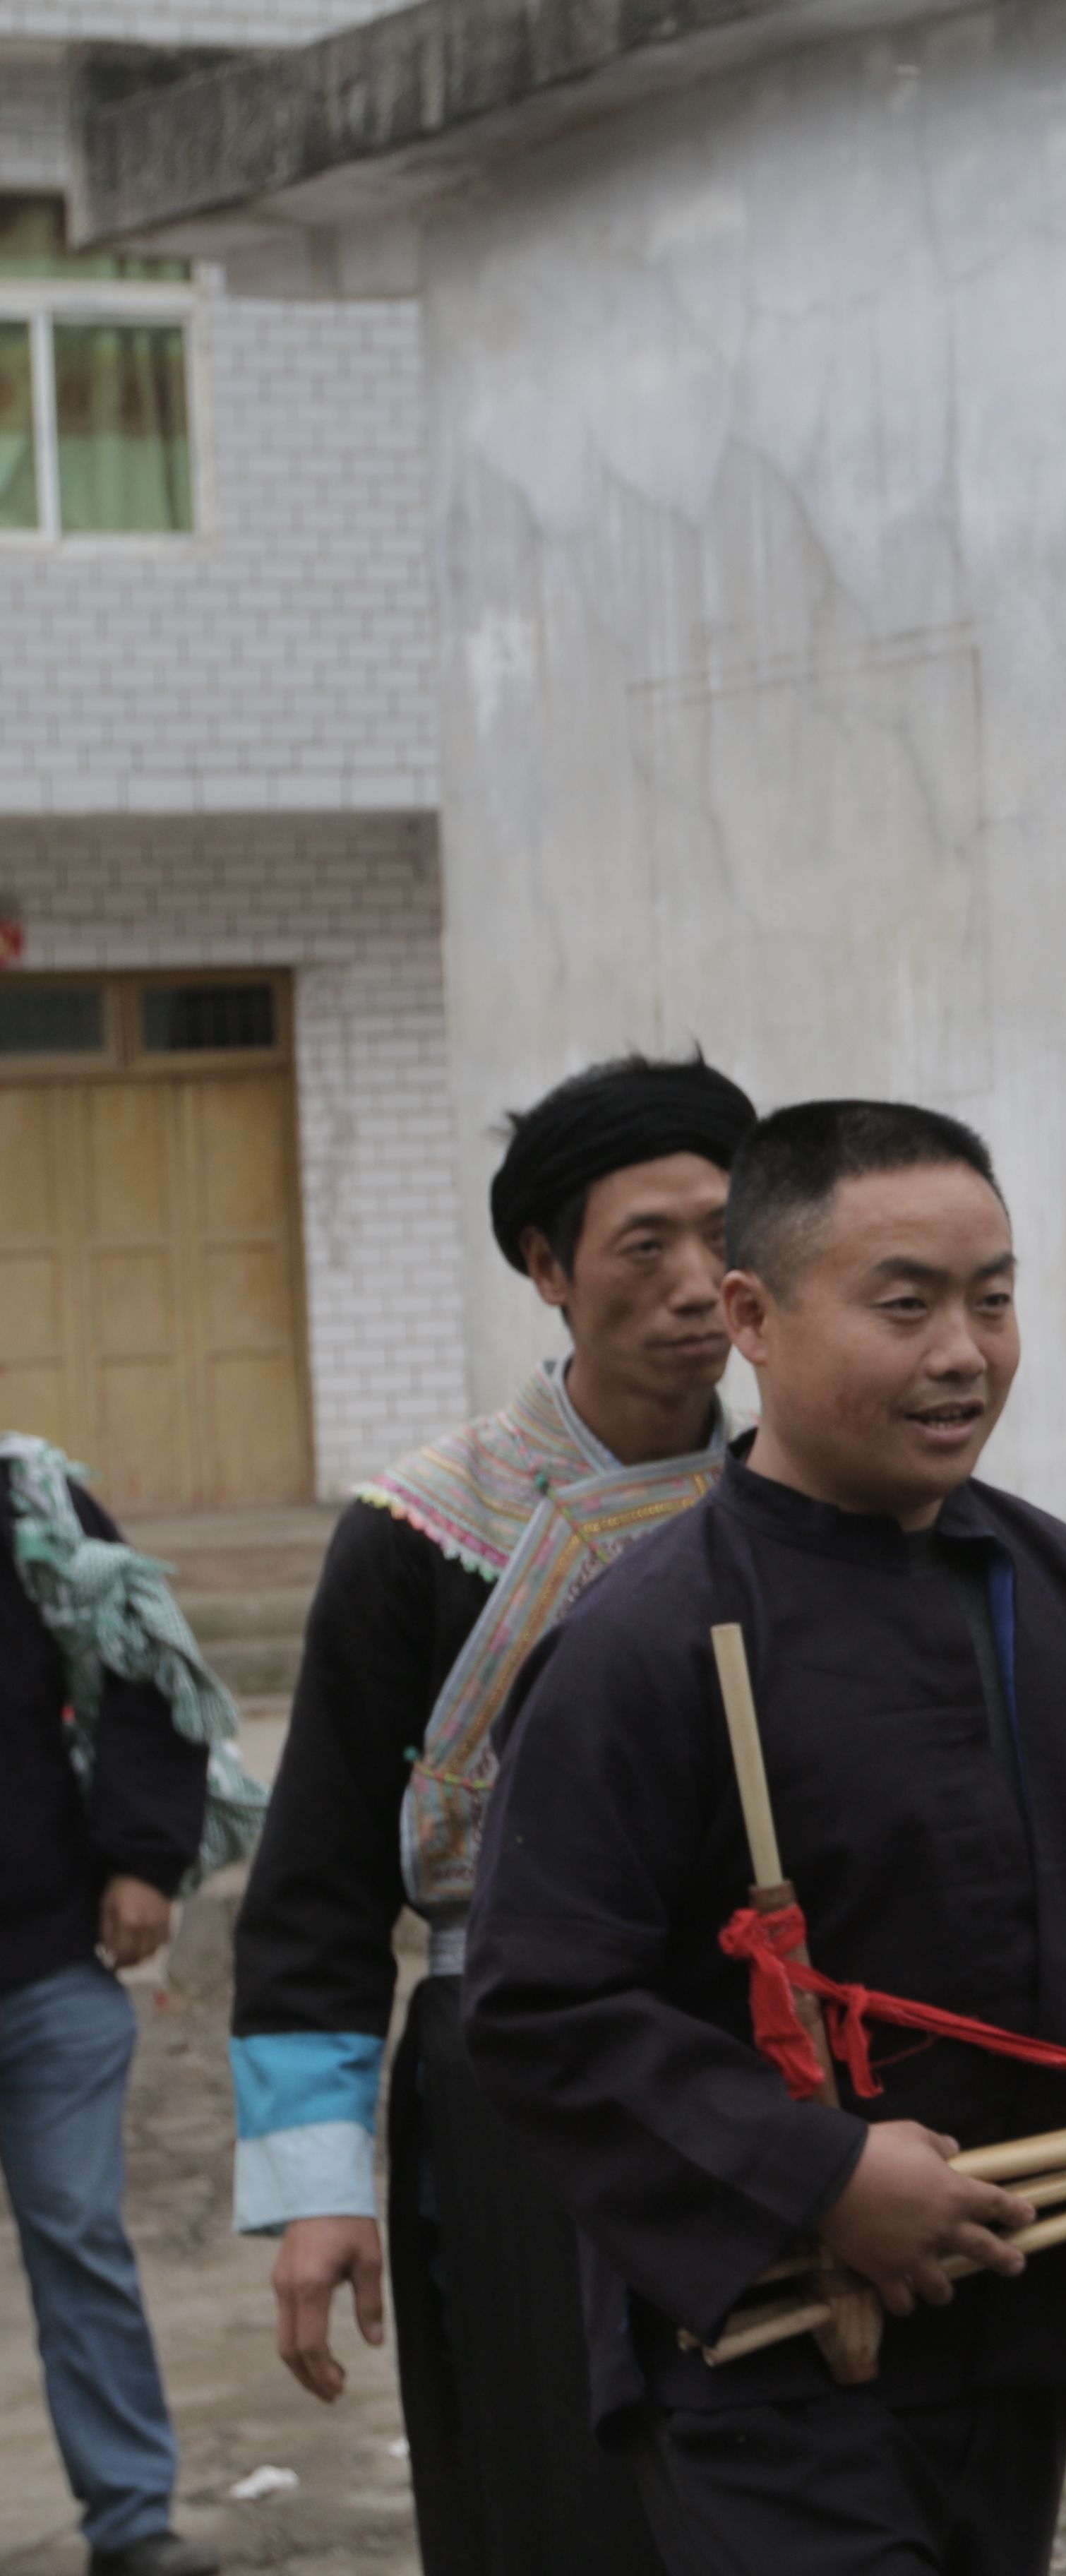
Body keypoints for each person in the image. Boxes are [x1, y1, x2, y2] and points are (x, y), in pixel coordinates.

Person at [460, 1099, 1066, 2576]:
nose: (963, 1352)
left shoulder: (1051, 1584)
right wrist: (819, 2173)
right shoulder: (643, 1642)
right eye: (905, 1307)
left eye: (993, 1301)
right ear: (753, 1318)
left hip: (1015, 2297)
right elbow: (542, 2004)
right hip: (770, 2347)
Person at [230, 1051, 756, 2576]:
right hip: (518, 2078)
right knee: (553, 2489)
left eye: (724, 1236)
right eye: (643, 1244)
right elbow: (320, 1884)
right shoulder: (421, 1532)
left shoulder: (808, 1502)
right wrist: (320, 2195)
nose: (693, 1284)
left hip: (773, 2062)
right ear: (546, 1266)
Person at [1, 1436, 229, 2576]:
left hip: (44, 1966)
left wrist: (144, 1857)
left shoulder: (35, 1508)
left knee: (80, 2238)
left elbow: (145, 1672)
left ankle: (133, 2518)